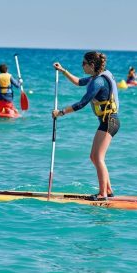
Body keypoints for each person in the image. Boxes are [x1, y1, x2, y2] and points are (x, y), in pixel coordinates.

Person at [52, 51, 120, 201]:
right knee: (93, 157)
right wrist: (63, 71)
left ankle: (103, 194)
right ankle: (108, 190)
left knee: (98, 157)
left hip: (110, 121)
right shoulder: (95, 78)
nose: (81, 66)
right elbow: (78, 82)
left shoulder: (98, 82)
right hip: (107, 121)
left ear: (91, 65)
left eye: (83, 63)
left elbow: (81, 103)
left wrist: (60, 112)